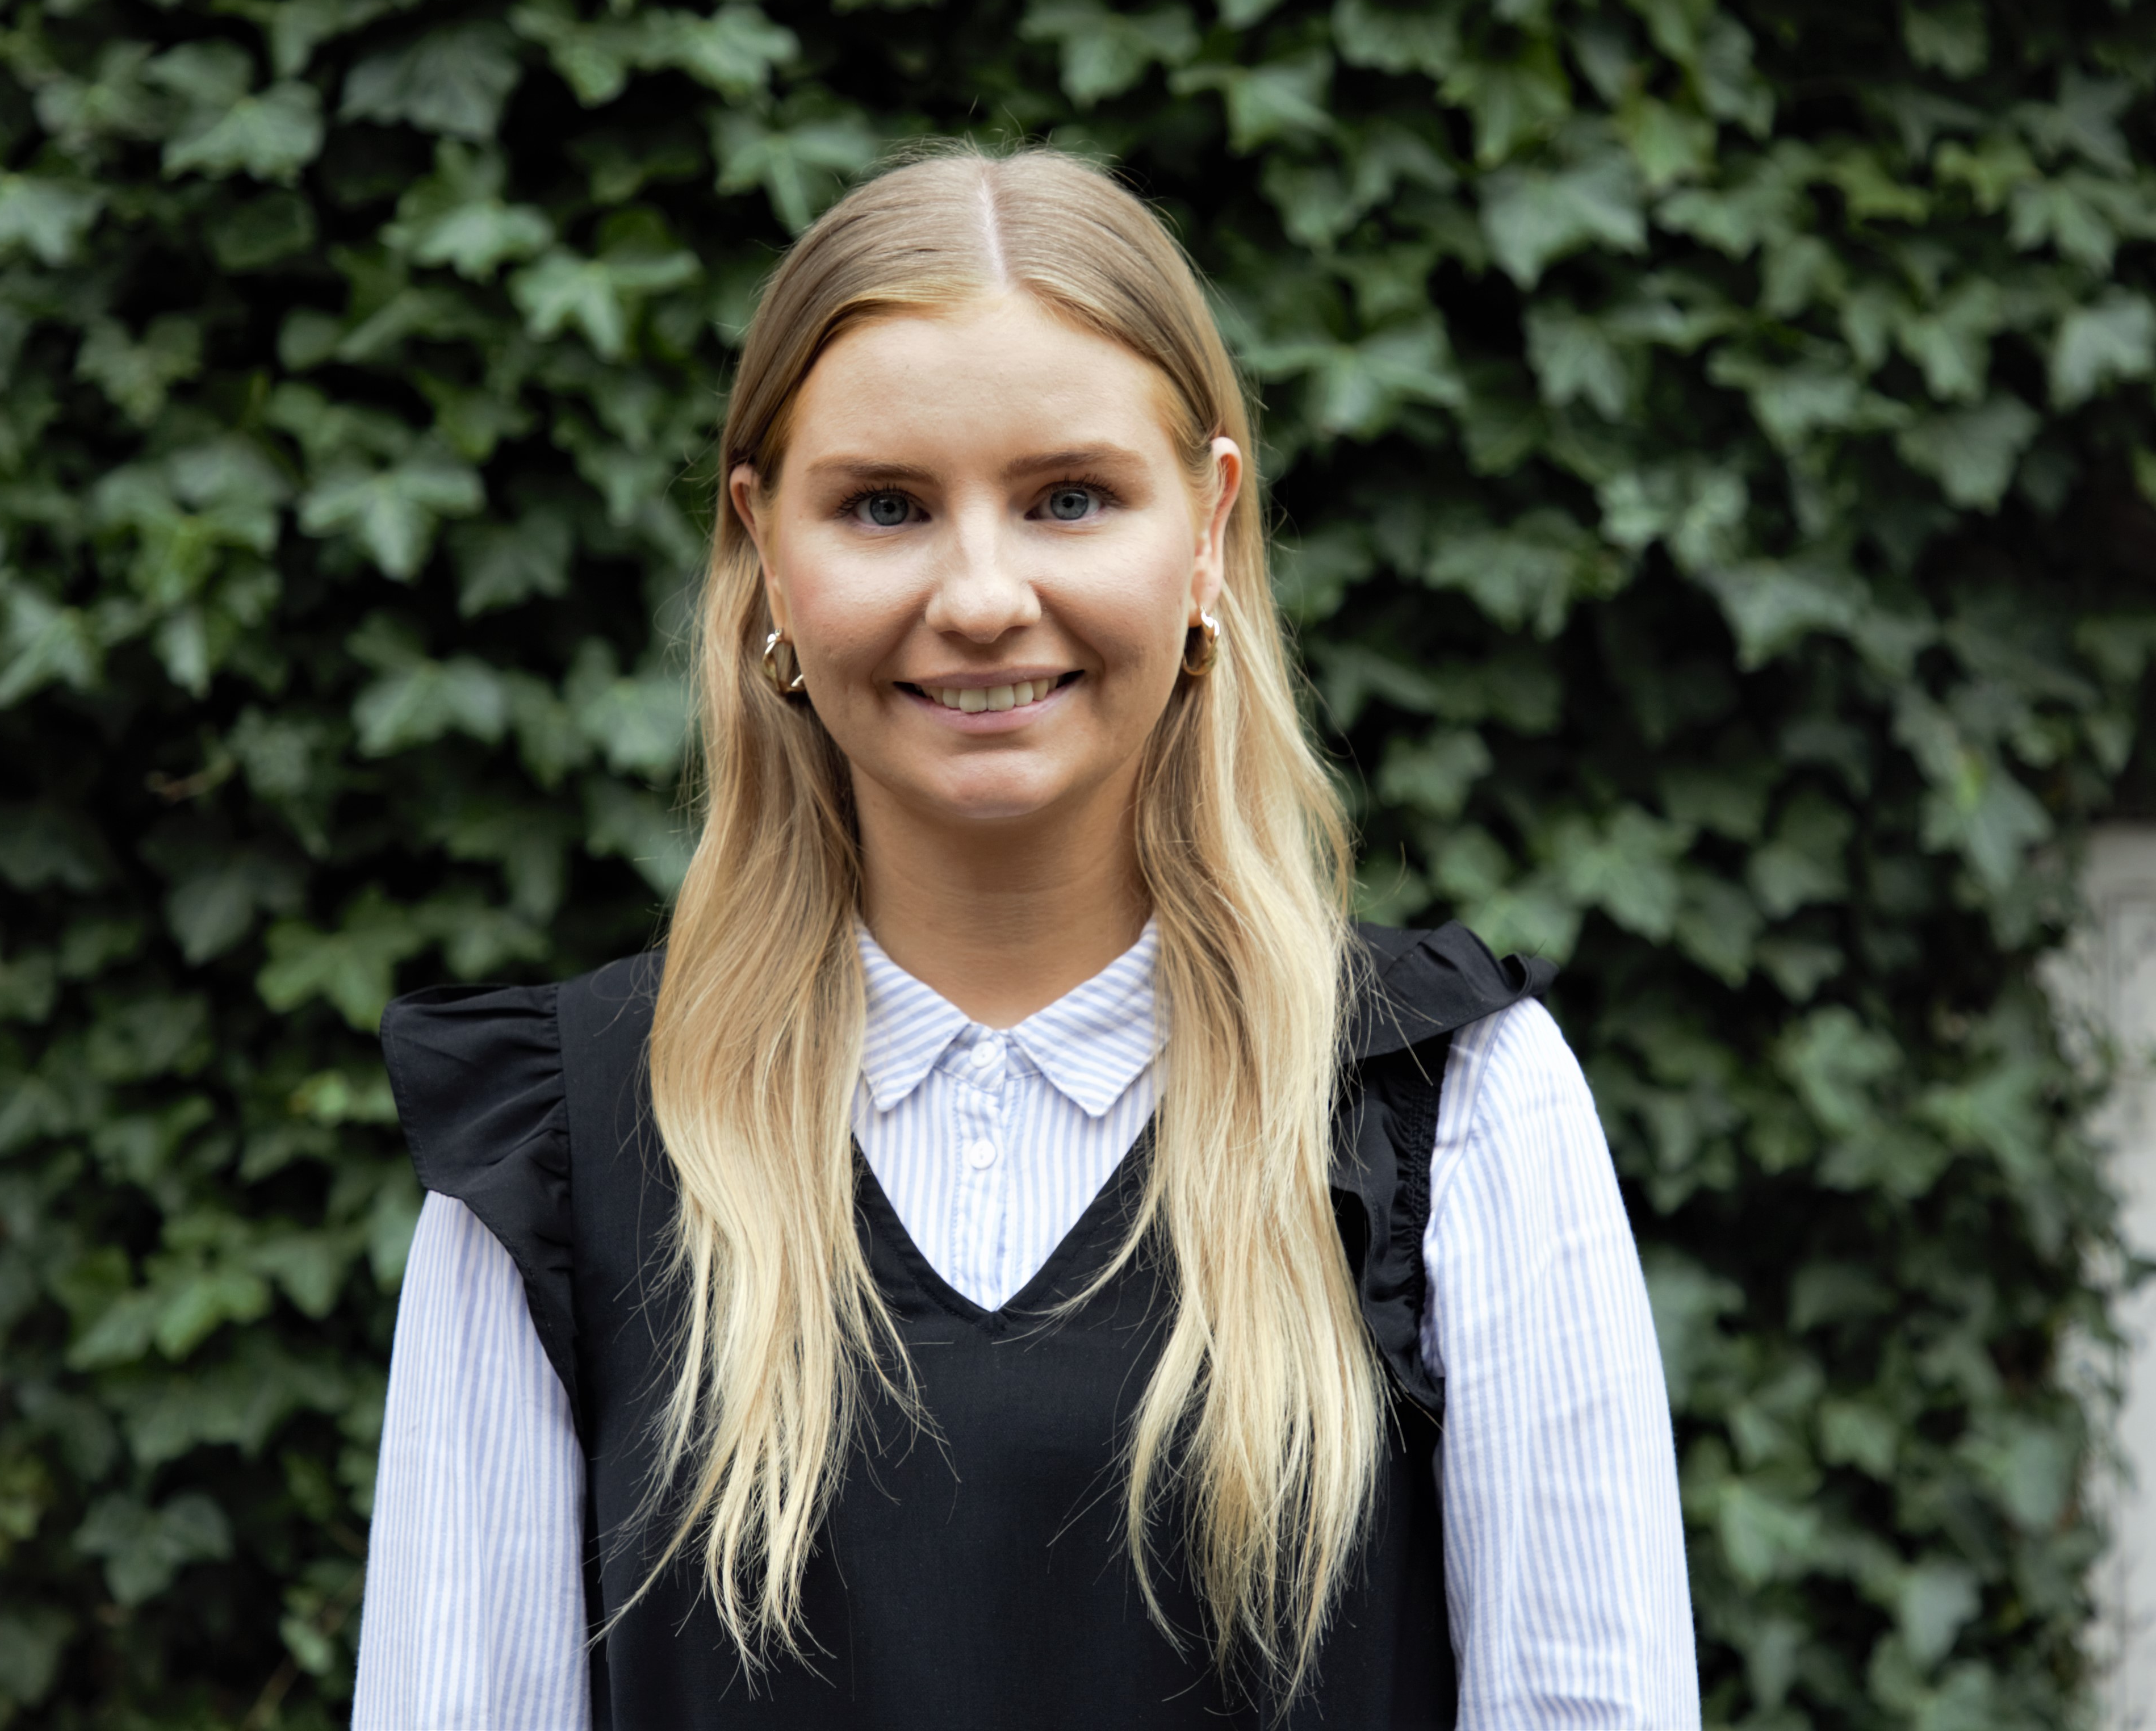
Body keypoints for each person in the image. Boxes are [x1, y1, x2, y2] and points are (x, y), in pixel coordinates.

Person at [352, 144, 1697, 1730]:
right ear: (767, 548)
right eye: (885, 507)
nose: (983, 596)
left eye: (1070, 499)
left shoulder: (1455, 1111)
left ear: (1208, 529)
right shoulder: (561, 1151)